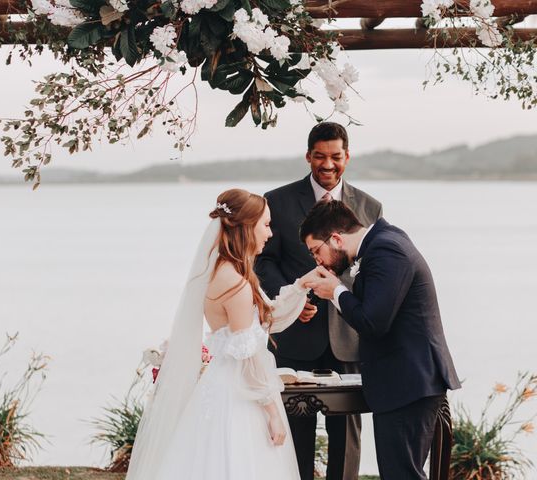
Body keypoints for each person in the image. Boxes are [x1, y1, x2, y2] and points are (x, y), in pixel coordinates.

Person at [126, 188, 323, 480]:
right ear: (246, 227)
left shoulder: (221, 272)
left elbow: (265, 320)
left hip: (220, 387)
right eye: (266, 225)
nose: (270, 234)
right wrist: (271, 412)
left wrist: (300, 286)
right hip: (240, 396)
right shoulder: (237, 285)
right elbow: (248, 356)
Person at [255, 122, 381, 480]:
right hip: (295, 337)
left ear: (347, 157)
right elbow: (263, 260)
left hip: (349, 338)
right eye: (320, 157)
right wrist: (292, 300)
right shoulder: (276, 202)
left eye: (336, 157)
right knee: (294, 433)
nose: (328, 165)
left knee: (348, 438)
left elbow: (372, 268)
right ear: (308, 156)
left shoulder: (370, 207)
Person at [301, 199, 461, 480]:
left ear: (336, 238)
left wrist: (336, 292)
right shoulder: (384, 241)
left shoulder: (386, 250)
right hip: (405, 382)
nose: (318, 260)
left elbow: (374, 322)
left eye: (317, 251)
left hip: (410, 383)